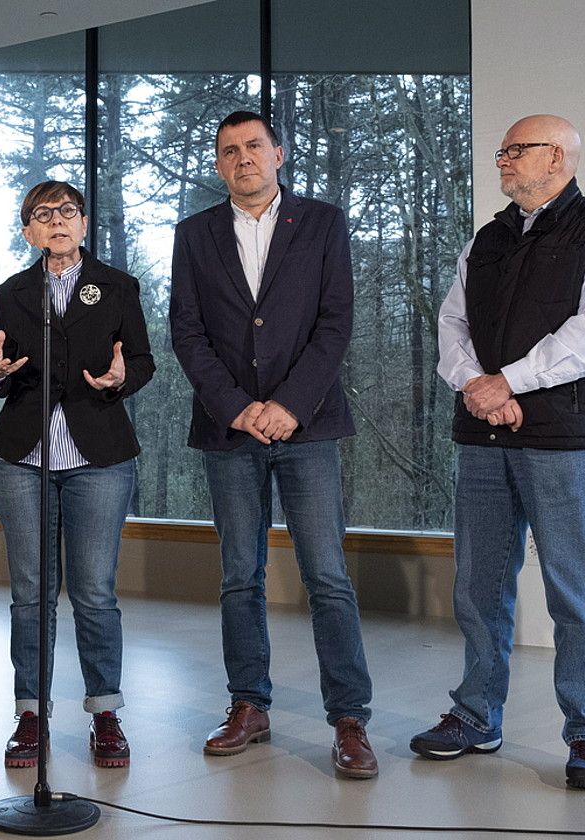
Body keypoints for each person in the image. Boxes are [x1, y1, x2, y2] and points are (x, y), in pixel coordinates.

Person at [411, 114, 585, 791]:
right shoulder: (489, 238)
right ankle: (475, 713)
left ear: (559, 158)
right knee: (479, 584)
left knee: (571, 586)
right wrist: (479, 388)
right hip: (483, 434)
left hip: (562, 437)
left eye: (518, 150)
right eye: (502, 150)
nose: (503, 160)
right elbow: (452, 322)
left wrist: (509, 381)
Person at [169, 110, 377, 779]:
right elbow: (188, 334)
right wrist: (239, 408)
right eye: (228, 150)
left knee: (327, 577)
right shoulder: (194, 235)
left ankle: (349, 719)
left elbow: (336, 320)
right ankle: (248, 705)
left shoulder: (321, 224)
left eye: (253, 146)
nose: (243, 158)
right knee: (239, 576)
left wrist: (288, 405)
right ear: (218, 163)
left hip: (307, 426)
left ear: (279, 154)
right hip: (230, 432)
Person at [0, 181, 154, 769]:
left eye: (68, 212)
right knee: (30, 593)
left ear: (84, 224)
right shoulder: (11, 291)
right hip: (22, 459)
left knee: (94, 592)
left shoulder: (118, 287)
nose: (57, 221)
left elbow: (144, 360)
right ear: (27, 230)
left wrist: (119, 380)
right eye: (43, 214)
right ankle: (30, 715)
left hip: (99, 459)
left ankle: (105, 713)